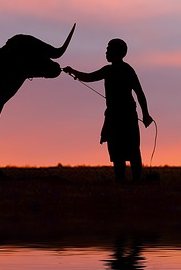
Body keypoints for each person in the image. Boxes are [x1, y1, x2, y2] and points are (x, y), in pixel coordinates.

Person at [64, 38, 154, 183]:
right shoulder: (112, 70)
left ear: (117, 52)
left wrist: (146, 114)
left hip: (125, 116)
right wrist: (72, 71)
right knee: (120, 151)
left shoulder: (126, 70)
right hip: (116, 116)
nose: (106, 51)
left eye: (109, 49)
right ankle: (124, 180)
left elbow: (139, 93)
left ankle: (134, 179)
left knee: (130, 150)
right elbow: (89, 77)